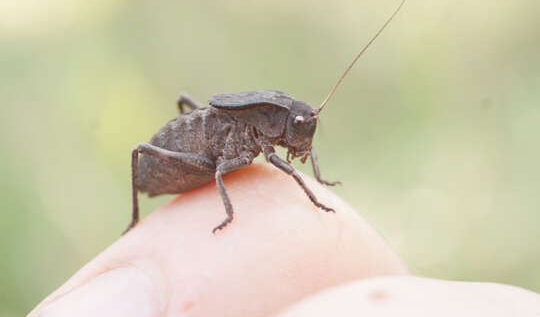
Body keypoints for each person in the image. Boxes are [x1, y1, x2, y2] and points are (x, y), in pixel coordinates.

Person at [28, 164, 539, 316]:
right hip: (190, 155)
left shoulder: (277, 138)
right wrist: (228, 215)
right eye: (297, 128)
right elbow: (228, 171)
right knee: (146, 152)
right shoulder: (246, 136)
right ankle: (134, 222)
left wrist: (319, 188)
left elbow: (294, 166)